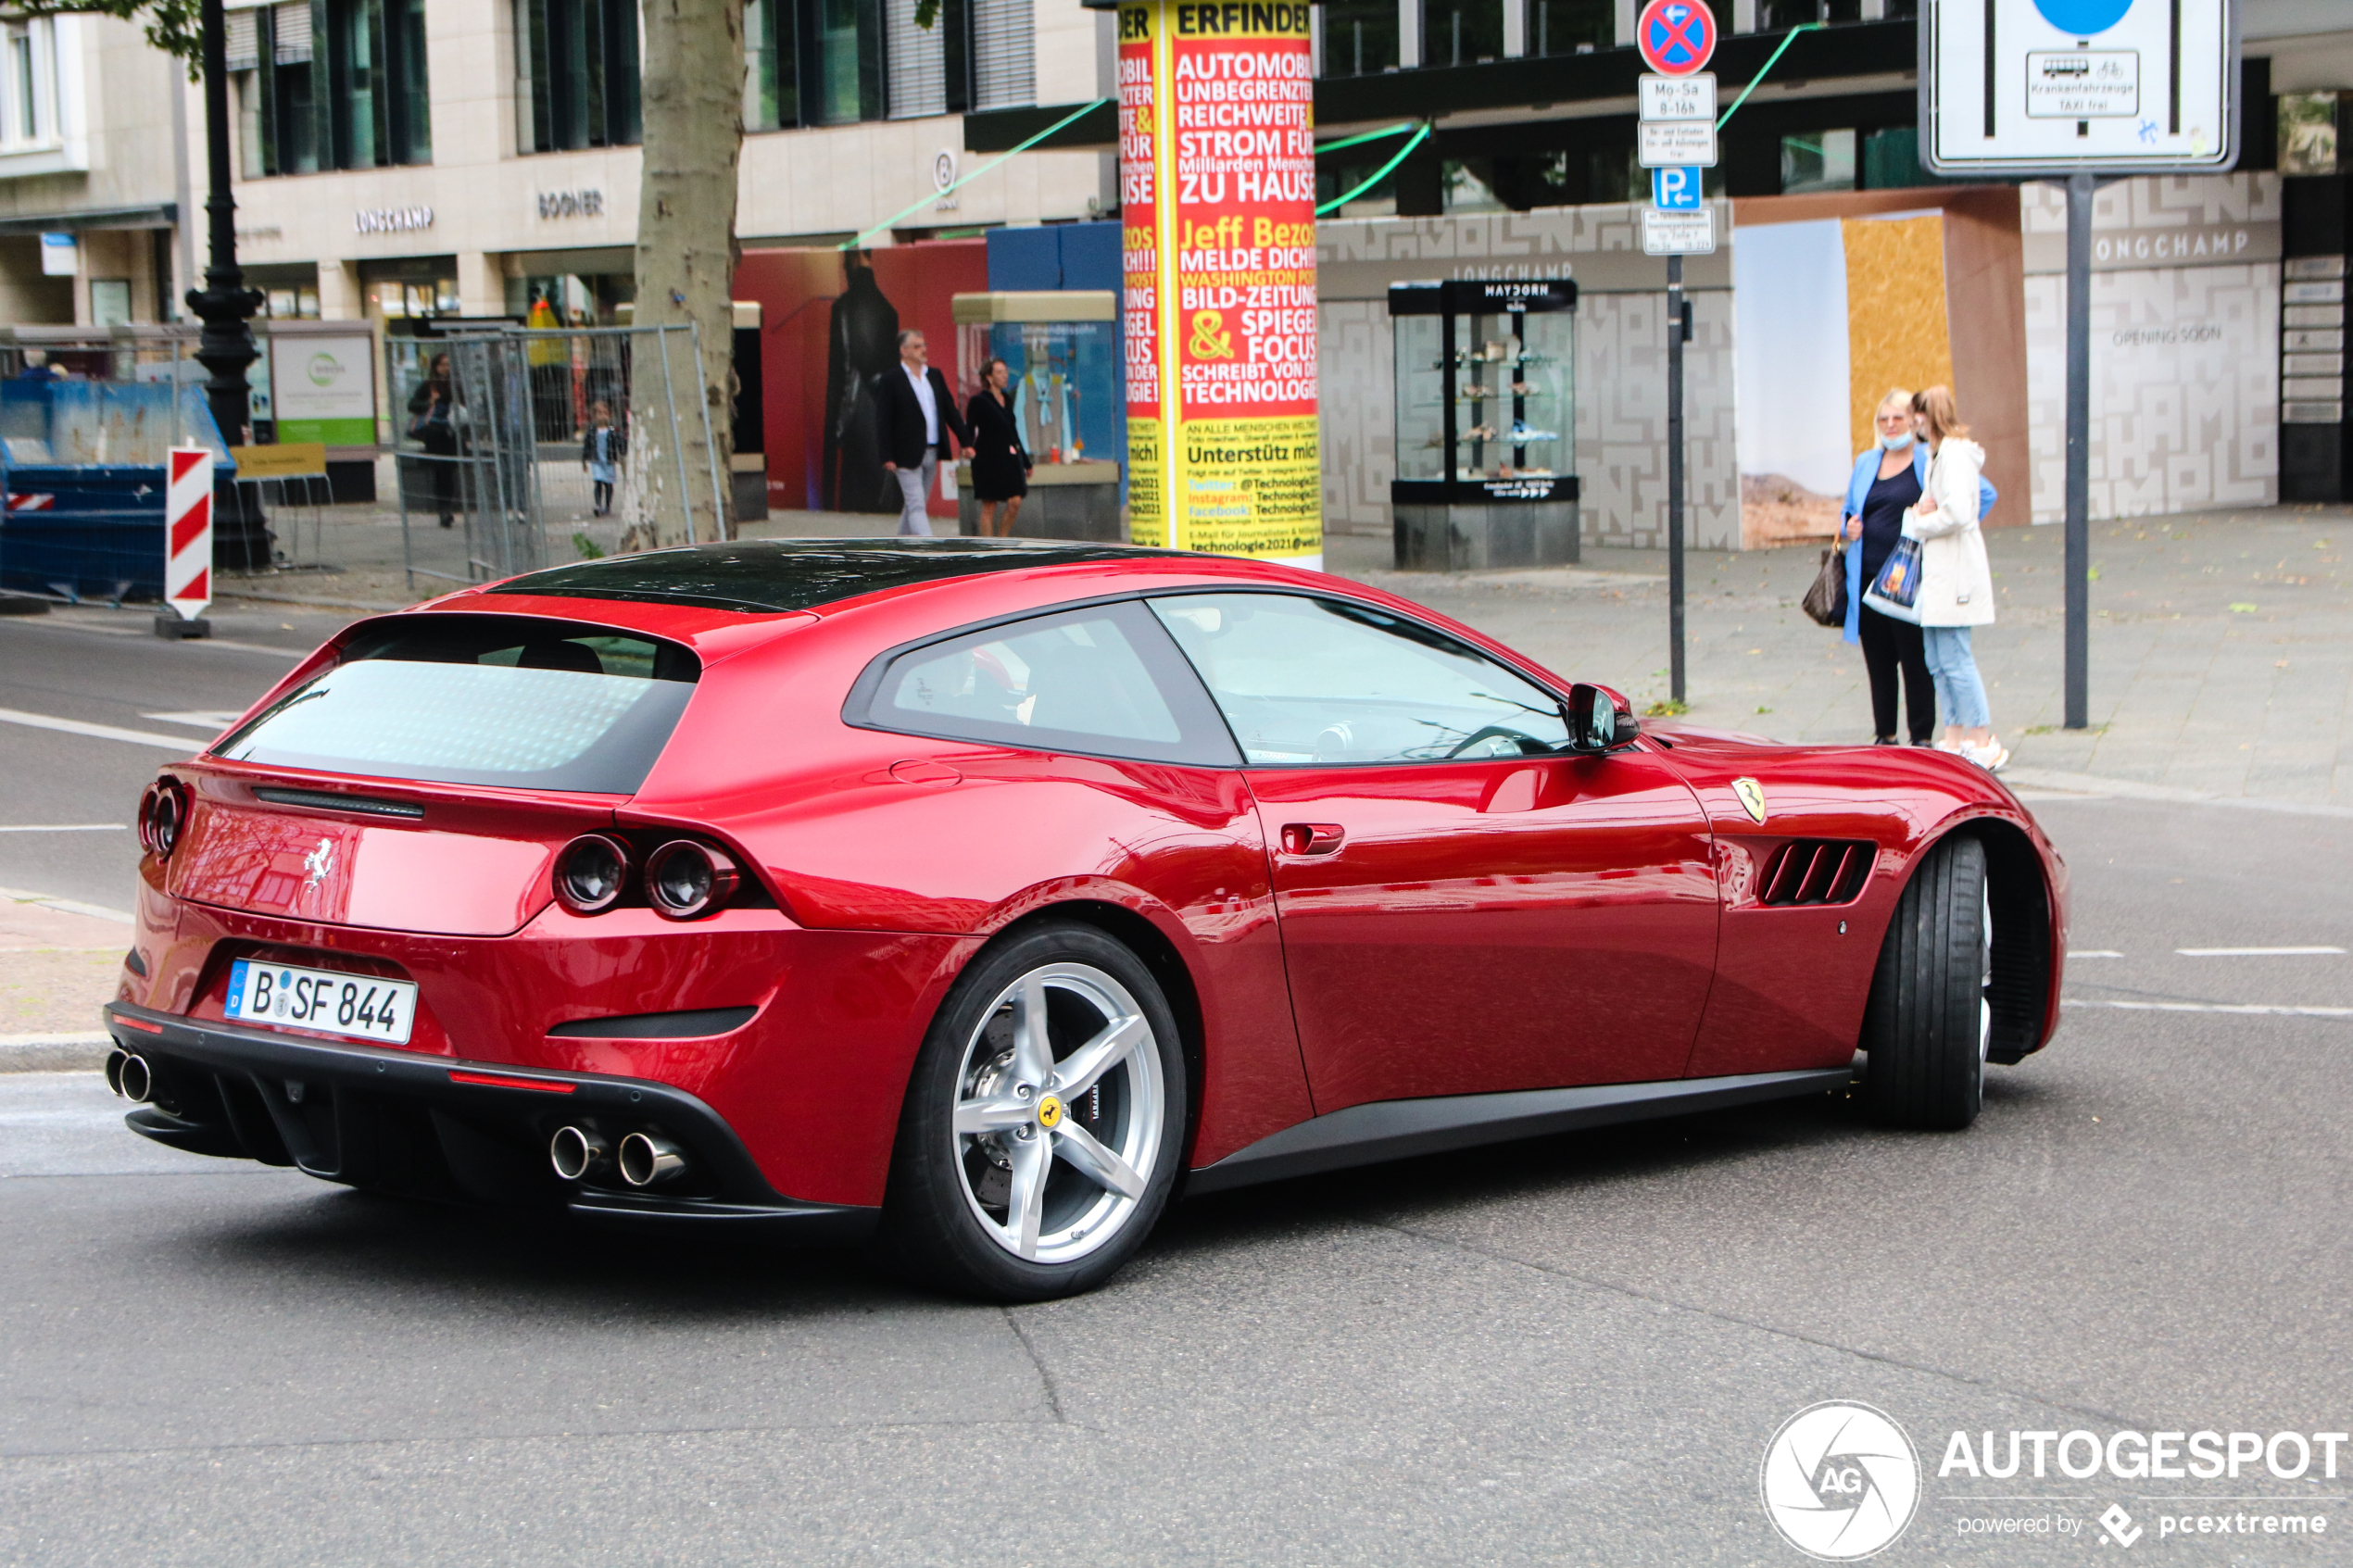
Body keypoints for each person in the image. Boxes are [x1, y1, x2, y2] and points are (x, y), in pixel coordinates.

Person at [1905, 384, 2006, 771]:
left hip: (1955, 574)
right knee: (1937, 658)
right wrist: (1926, 512)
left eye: (1918, 415)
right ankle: (1955, 736)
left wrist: (1921, 519)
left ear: (1926, 416)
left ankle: (1981, 738)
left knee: (1956, 657)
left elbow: (1960, 513)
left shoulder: (1956, 455)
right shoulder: (1937, 455)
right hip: (1940, 574)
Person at [1840, 389, 1937, 746]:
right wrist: (1846, 526)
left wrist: (1944, 522)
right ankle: (1886, 736)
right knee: (1879, 663)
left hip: (1910, 581)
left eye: (1898, 418)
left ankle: (1922, 738)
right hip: (1867, 579)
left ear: (1913, 421)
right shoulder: (1867, 461)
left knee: (1916, 661)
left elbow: (1979, 494)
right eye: (1884, 419)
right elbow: (1848, 510)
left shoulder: (1928, 458)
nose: (1891, 425)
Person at [873, 329, 969, 537]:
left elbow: (950, 411)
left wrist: (966, 441)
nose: (923, 350)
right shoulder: (892, 379)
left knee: (915, 504)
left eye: (924, 345)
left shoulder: (933, 376)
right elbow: (883, 419)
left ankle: (900, 547)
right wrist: (886, 454)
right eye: (917, 346)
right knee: (916, 505)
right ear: (904, 350)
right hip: (905, 453)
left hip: (932, 450)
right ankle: (930, 547)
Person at [963, 357, 1031, 537]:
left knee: (1015, 501)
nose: (1005, 376)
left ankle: (1002, 540)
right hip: (986, 459)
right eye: (999, 372)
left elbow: (1013, 432)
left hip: (1007, 459)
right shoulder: (978, 401)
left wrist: (1026, 462)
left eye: (1005, 372)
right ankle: (989, 547)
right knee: (989, 506)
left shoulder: (1007, 400)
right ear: (989, 377)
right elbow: (969, 428)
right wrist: (967, 446)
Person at [407, 352, 460, 529]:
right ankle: (443, 510)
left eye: (448, 364)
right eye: (443, 364)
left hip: (451, 433)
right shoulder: (428, 385)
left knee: (449, 473)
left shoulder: (455, 385)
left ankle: (448, 507)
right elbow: (412, 405)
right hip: (434, 433)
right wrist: (429, 402)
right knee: (439, 472)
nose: (446, 368)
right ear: (436, 367)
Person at [581, 400, 623, 517]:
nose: (602, 416)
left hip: (609, 460)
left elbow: (618, 440)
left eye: (605, 413)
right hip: (597, 460)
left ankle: (608, 506)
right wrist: (584, 460)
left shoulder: (612, 429)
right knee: (598, 482)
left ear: (609, 415)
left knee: (608, 484)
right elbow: (586, 445)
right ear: (594, 416)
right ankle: (598, 504)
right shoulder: (592, 430)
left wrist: (621, 452)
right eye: (599, 413)